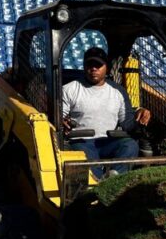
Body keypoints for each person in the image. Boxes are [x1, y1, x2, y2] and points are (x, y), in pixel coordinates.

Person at [62, 47, 150, 179]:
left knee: (130, 145)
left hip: (109, 140)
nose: (94, 69)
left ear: (106, 67)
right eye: (90, 65)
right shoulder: (70, 89)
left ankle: (115, 177)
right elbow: (59, 118)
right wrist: (62, 121)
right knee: (85, 157)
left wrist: (139, 114)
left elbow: (127, 124)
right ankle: (99, 182)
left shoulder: (118, 91)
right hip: (81, 140)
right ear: (84, 66)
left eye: (98, 65)